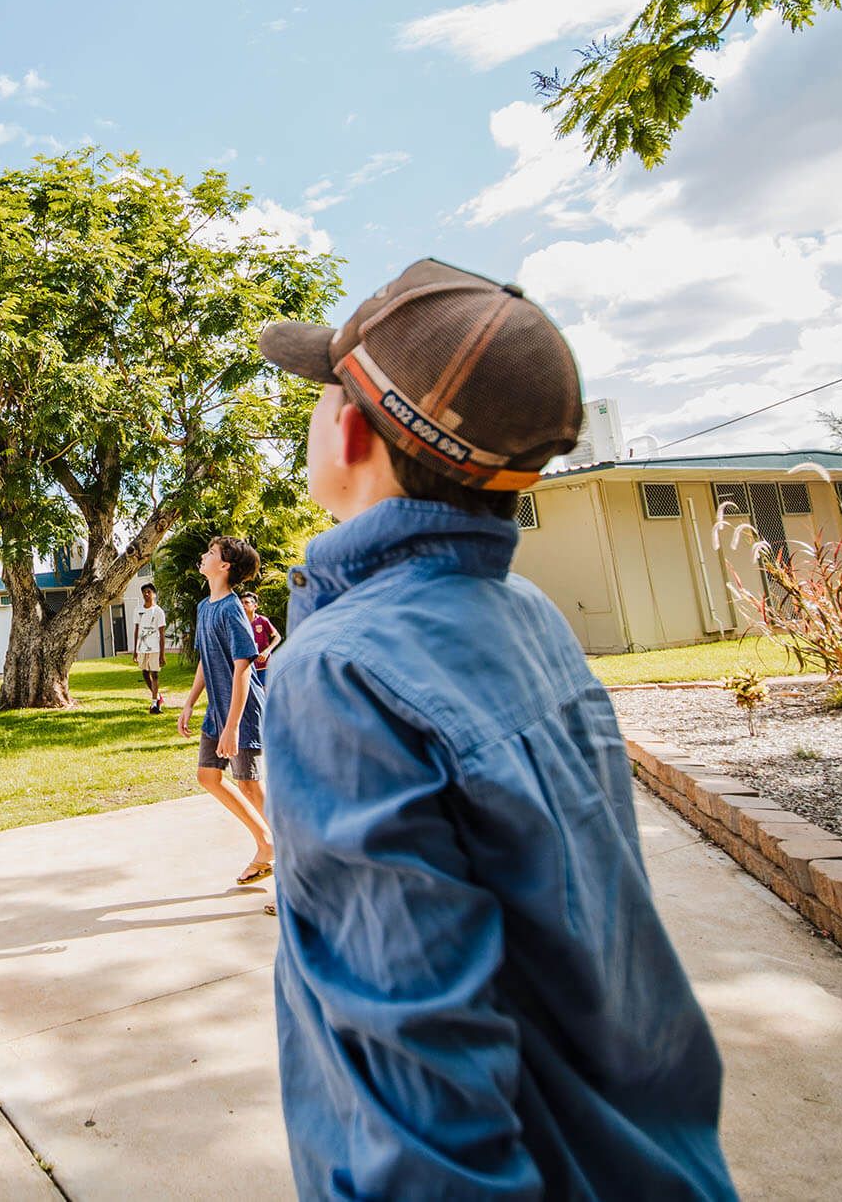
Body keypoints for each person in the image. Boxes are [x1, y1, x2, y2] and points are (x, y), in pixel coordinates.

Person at [256, 258, 735, 1198]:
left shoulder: (340, 669)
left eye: (320, 392)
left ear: (350, 429)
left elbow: (426, 1089)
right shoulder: (530, 614)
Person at [175, 537, 276, 895]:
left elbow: (244, 667)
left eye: (211, 553)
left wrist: (233, 726)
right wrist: (189, 702)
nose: (203, 555)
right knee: (208, 776)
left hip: (241, 711)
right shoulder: (205, 607)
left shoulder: (233, 609)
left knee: (249, 783)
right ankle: (266, 842)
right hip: (216, 711)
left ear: (225, 566)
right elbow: (206, 659)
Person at [131, 582, 168, 713]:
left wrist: (162, 654)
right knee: (145, 673)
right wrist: (135, 651)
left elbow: (162, 633)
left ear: (154, 594)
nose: (146, 594)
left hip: (155, 648)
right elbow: (136, 630)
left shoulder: (158, 611)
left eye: (149, 592)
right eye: (144, 592)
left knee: (155, 674)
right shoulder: (138, 610)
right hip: (142, 648)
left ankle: (154, 705)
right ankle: (158, 697)